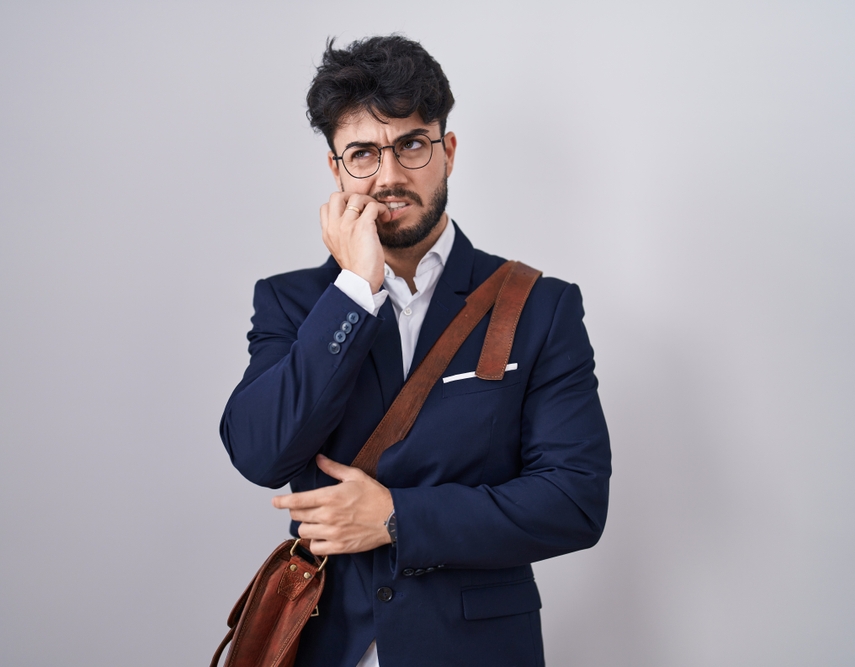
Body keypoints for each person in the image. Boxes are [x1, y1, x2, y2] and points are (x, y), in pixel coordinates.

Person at [220, 35, 611, 667]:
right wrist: (353, 291)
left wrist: (399, 516)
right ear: (336, 170)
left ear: (447, 151)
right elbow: (261, 452)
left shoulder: (540, 305)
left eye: (411, 144)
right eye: (363, 154)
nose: (391, 176)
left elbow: (573, 501)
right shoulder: (293, 303)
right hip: (325, 647)